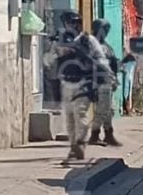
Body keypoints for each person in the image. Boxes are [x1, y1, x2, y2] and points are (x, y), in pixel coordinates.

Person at [43, 10, 112, 162]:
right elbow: (47, 61)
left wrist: (103, 77)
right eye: (70, 23)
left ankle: (78, 147)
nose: (73, 25)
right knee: (69, 119)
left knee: (80, 116)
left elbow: (100, 59)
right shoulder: (61, 40)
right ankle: (74, 145)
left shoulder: (88, 41)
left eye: (75, 22)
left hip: (83, 83)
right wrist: (58, 51)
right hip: (66, 83)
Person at [89, 19, 122, 147]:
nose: (106, 32)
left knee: (109, 110)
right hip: (99, 82)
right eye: (104, 29)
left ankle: (109, 134)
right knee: (102, 110)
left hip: (108, 82)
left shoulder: (106, 47)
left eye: (107, 30)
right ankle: (94, 135)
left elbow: (112, 65)